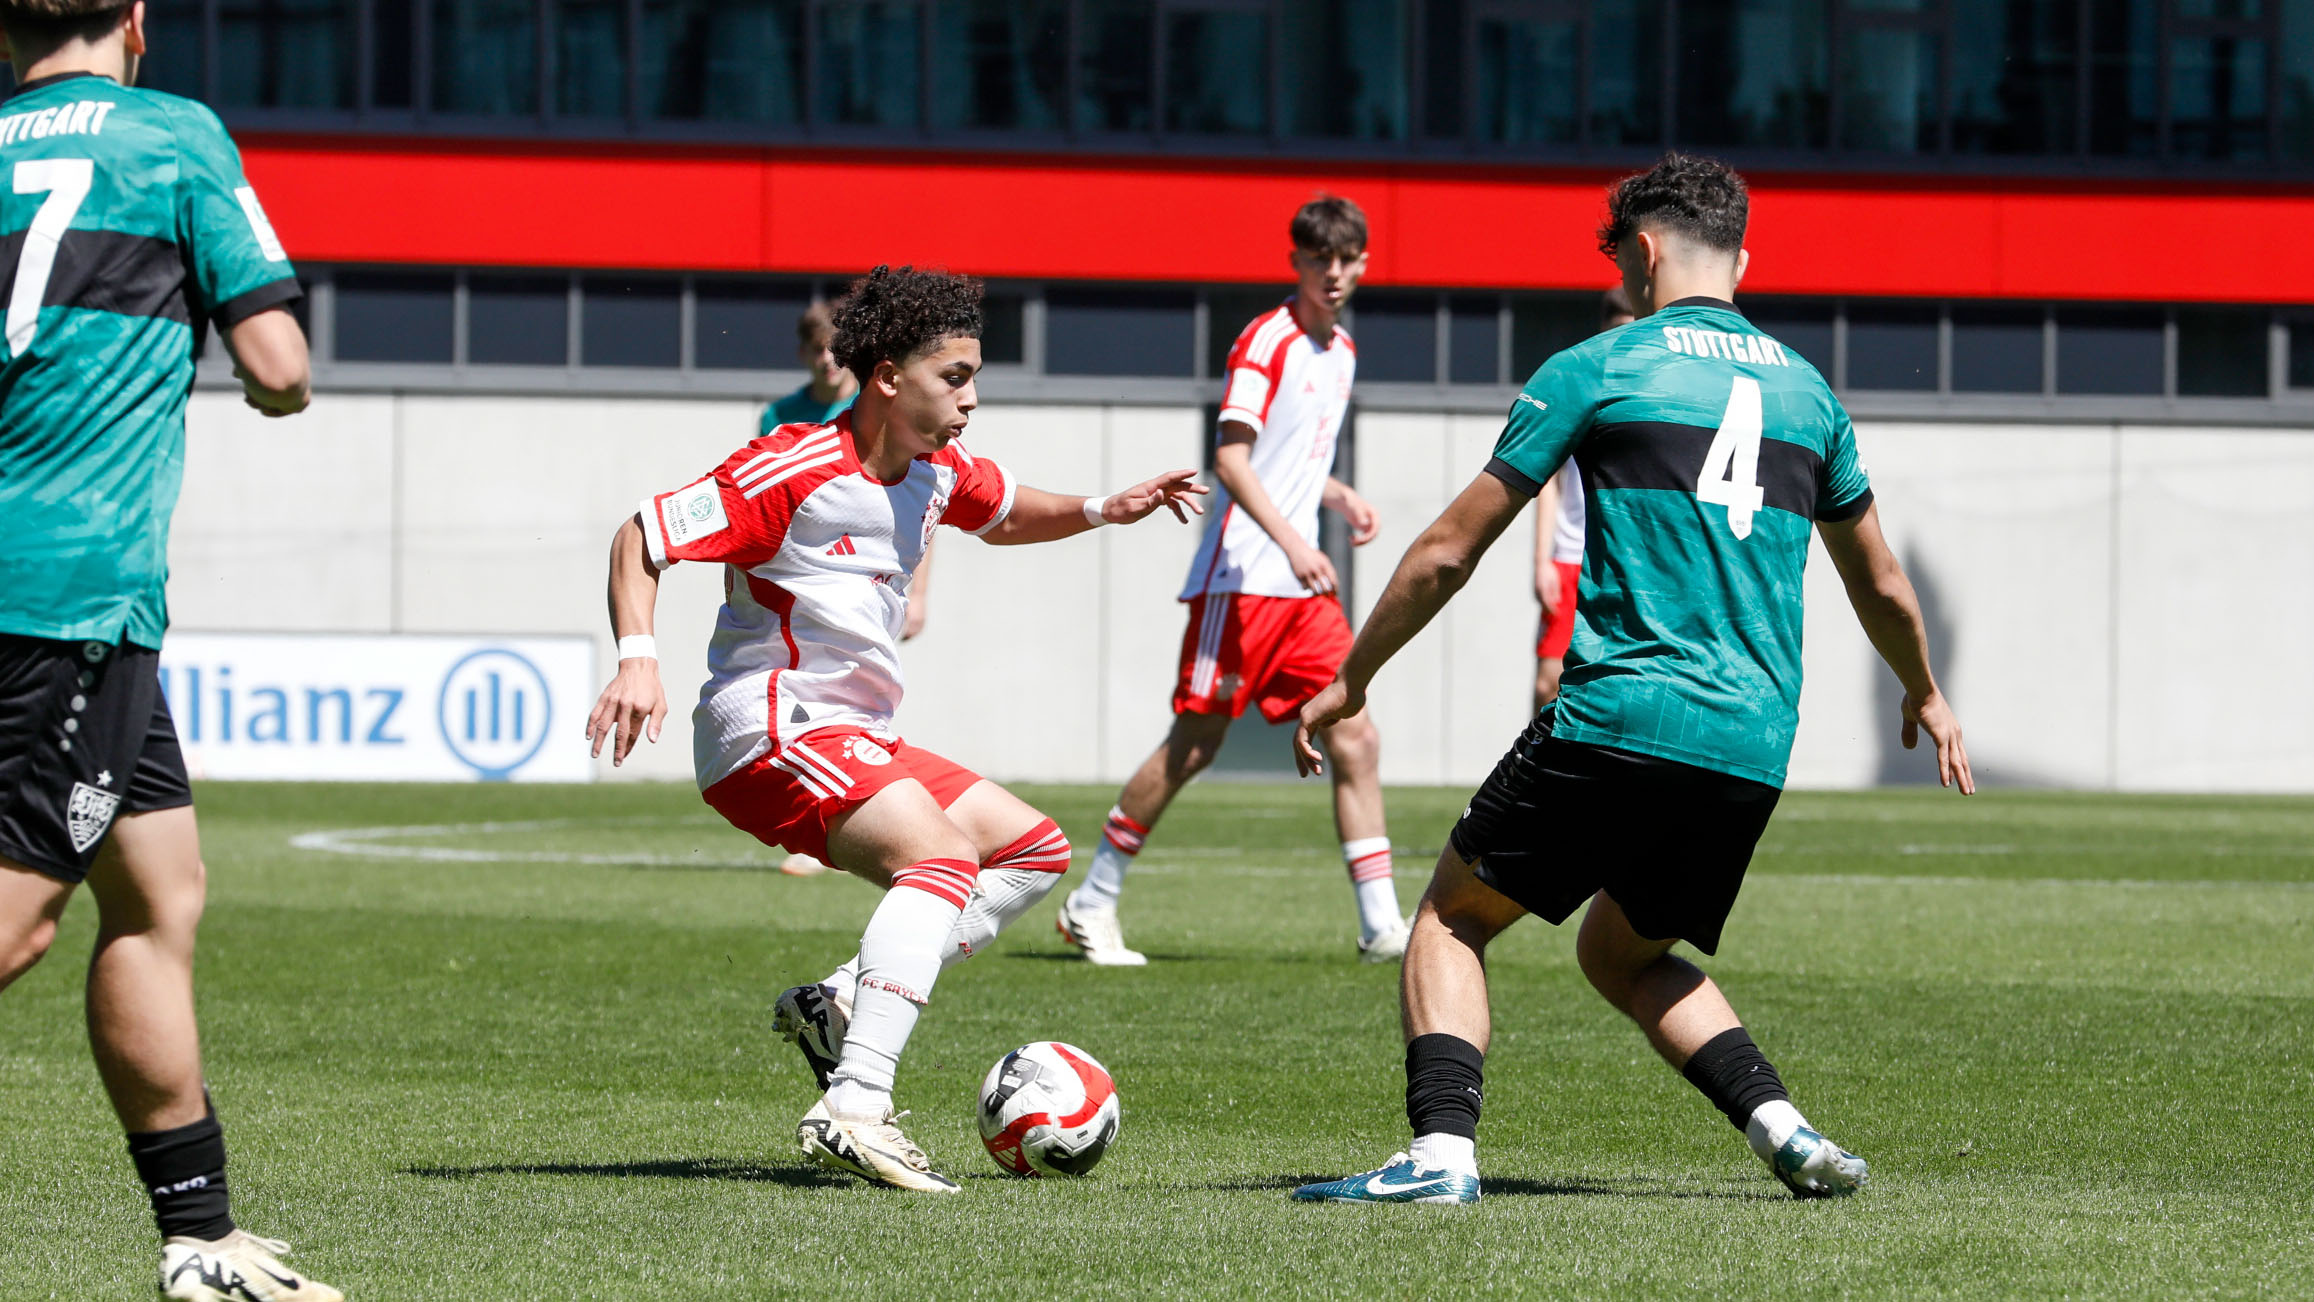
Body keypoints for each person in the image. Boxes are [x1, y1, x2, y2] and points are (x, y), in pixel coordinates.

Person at [1289, 154, 1973, 1206]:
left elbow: (1443, 553)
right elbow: (1880, 580)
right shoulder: (1810, 394)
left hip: (1620, 710)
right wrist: (1925, 691)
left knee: (1452, 917)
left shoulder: (1599, 367)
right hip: (1750, 741)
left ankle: (1437, 1160)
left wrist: (1353, 676)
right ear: (1742, 256)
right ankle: (1786, 1134)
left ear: (1641, 253)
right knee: (1624, 952)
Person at [586, 265, 1205, 1193]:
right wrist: (638, 653)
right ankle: (855, 1105)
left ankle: (839, 1005)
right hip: (769, 725)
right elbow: (643, 534)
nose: (972, 397)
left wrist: (1099, 509)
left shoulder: (935, 469)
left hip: (853, 733)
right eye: (954, 376)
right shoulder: (791, 466)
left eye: (973, 375)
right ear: (885, 378)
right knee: (943, 860)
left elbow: (1002, 514)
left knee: (1033, 852)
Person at [0, 3, 336, 1297]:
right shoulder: (174, 136)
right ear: (137, 19)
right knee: (19, 925)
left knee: (157, 889)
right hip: (66, 588)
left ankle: (200, 1237)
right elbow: (278, 362)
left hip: (83, 600)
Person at [1055, 194, 1399, 966]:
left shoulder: (1341, 351)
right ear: (1297, 262)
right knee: (1196, 744)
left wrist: (1335, 496)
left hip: (1300, 590)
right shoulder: (1265, 340)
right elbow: (1232, 459)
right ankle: (1092, 901)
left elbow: (1292, 460)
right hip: (1240, 580)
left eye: (1348, 260)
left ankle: (1382, 925)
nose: (1335, 274)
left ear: (1364, 263)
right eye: (1321, 260)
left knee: (1356, 732)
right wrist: (1295, 540)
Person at [1531, 286, 1635, 710]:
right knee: (1549, 683)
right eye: (1617, 333)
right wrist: (1542, 561)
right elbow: (1549, 483)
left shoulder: (1656, 395)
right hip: (1572, 556)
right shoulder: (1580, 388)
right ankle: (1534, 771)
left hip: (1628, 562)